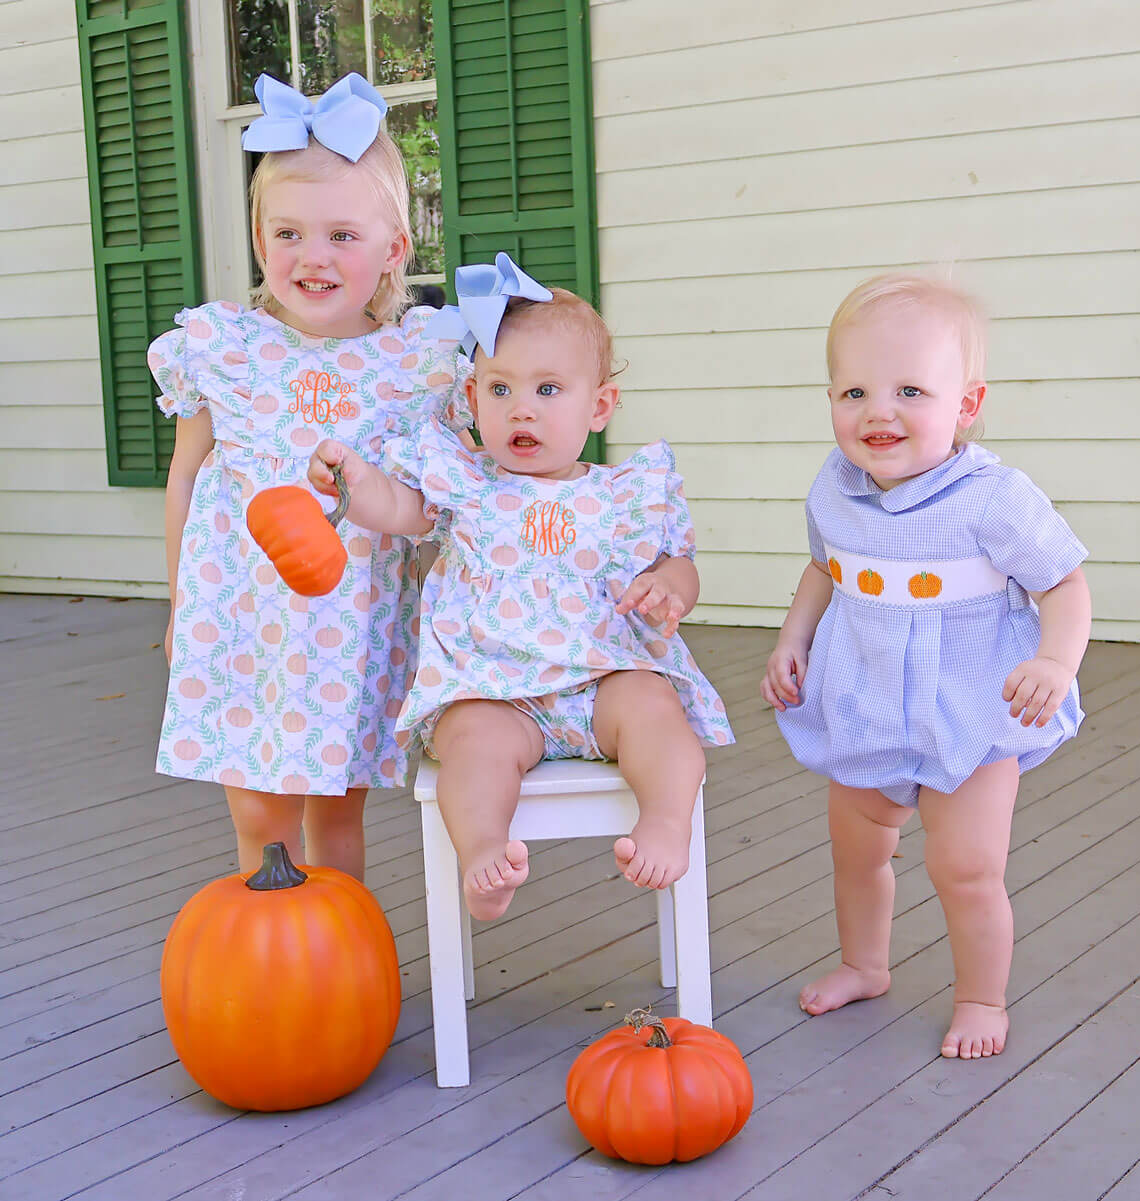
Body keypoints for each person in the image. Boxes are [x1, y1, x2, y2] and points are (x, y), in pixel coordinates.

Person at [308, 254, 734, 919]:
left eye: (547, 390)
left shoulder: (626, 493)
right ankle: (484, 852)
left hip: (603, 680)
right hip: (493, 689)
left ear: (599, 406)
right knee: (472, 748)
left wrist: (667, 587)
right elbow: (396, 509)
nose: (521, 410)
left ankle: (666, 821)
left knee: (657, 711)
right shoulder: (466, 481)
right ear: (473, 399)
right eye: (500, 389)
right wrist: (354, 481)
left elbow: (680, 561)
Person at [761, 272, 1091, 1060]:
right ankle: (863, 963)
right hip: (868, 697)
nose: (879, 412)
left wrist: (1055, 657)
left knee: (966, 865)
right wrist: (793, 638)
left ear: (966, 406)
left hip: (971, 705)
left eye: (911, 389)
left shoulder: (994, 499)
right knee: (858, 847)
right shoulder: (835, 490)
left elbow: (1065, 583)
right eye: (854, 391)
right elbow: (823, 570)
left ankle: (982, 996)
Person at [149, 73, 470, 879]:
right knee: (261, 821)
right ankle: (271, 980)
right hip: (240, 624)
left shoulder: (415, 363)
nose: (312, 257)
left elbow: (440, 505)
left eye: (341, 236)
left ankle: (336, 975)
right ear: (261, 240)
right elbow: (187, 475)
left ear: (394, 249)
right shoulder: (221, 348)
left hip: (351, 634)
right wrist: (181, 600)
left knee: (337, 815)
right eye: (288, 233)